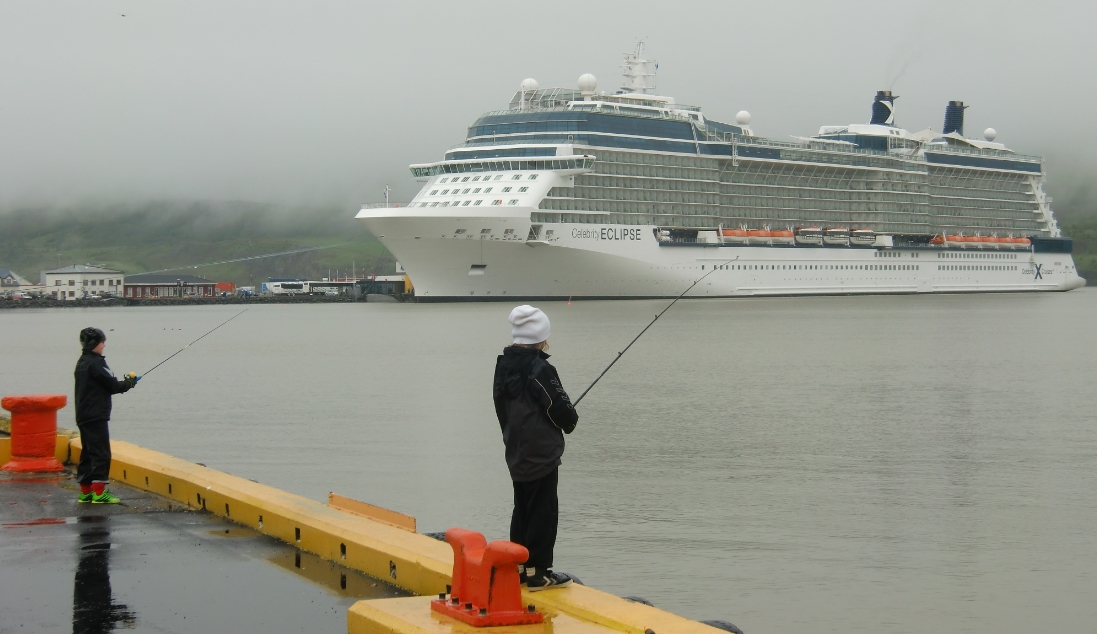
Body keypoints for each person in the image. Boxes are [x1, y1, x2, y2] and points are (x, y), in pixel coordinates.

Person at [493, 305, 578, 591]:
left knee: (522, 508)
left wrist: (510, 436)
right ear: (541, 337)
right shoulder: (541, 367)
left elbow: (500, 407)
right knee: (543, 510)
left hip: (516, 449)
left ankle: (519, 566)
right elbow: (560, 406)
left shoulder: (502, 365)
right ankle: (539, 573)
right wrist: (570, 422)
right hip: (541, 452)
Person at [74, 327, 140, 504]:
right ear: (95, 343)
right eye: (103, 342)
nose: (104, 345)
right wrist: (129, 383)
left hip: (83, 414)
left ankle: (85, 492)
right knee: (101, 454)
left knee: (88, 453)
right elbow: (113, 386)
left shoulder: (82, 362)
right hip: (96, 415)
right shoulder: (97, 363)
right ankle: (99, 493)